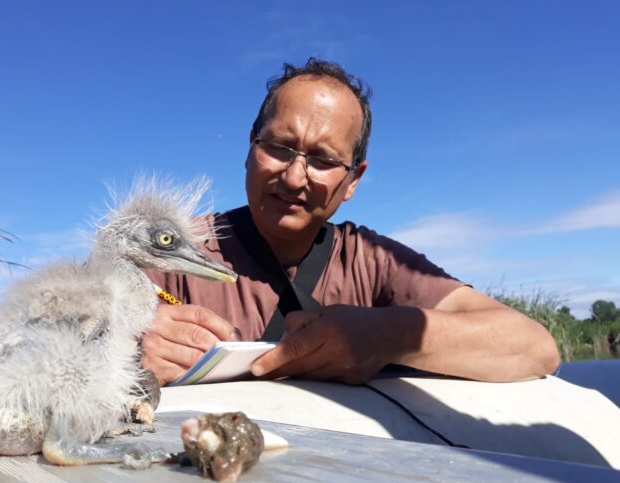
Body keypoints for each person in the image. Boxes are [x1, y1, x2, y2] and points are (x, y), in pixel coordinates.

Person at [142, 58, 560, 387]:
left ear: (353, 180)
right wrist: (129, 342)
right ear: (250, 148)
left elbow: (534, 347)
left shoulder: (374, 262)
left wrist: (386, 336)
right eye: (279, 147)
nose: (293, 176)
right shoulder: (170, 248)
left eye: (323, 160)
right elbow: (81, 324)